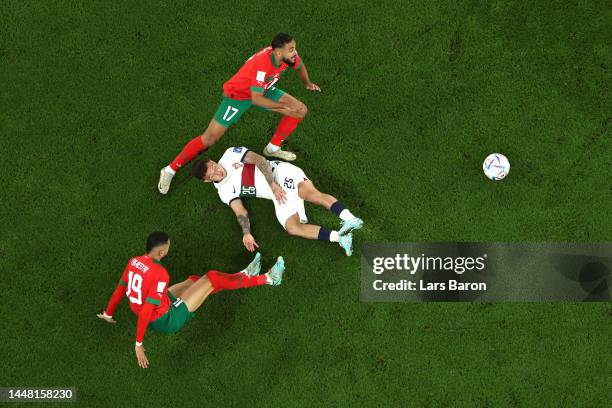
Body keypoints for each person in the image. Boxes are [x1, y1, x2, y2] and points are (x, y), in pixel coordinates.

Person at [158, 33, 321, 194]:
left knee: (300, 110)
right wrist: (282, 107)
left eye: (295, 48)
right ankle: (170, 170)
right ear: (278, 52)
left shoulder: (287, 57)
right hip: (239, 96)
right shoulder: (262, 65)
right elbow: (256, 99)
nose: (295, 53)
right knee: (209, 139)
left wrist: (307, 83)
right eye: (291, 49)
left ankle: (272, 149)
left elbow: (299, 65)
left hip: (263, 89)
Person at [96, 232, 284, 368]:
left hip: (156, 307)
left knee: (194, 281)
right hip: (166, 319)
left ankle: (243, 275)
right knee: (212, 278)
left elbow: (120, 290)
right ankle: (268, 279)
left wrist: (108, 313)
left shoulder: (134, 261)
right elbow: (146, 311)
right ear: (161, 252)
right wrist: (138, 344)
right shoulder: (160, 274)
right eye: (168, 247)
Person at [191, 147, 364, 256]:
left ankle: (349, 218)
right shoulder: (223, 191)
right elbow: (240, 211)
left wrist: (273, 184)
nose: (218, 171)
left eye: (214, 166)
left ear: (214, 161)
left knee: (308, 193)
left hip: (279, 174)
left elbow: (260, 160)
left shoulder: (230, 154)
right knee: (292, 227)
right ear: (207, 180)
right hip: (277, 196)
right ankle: (340, 237)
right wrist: (246, 232)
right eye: (212, 174)